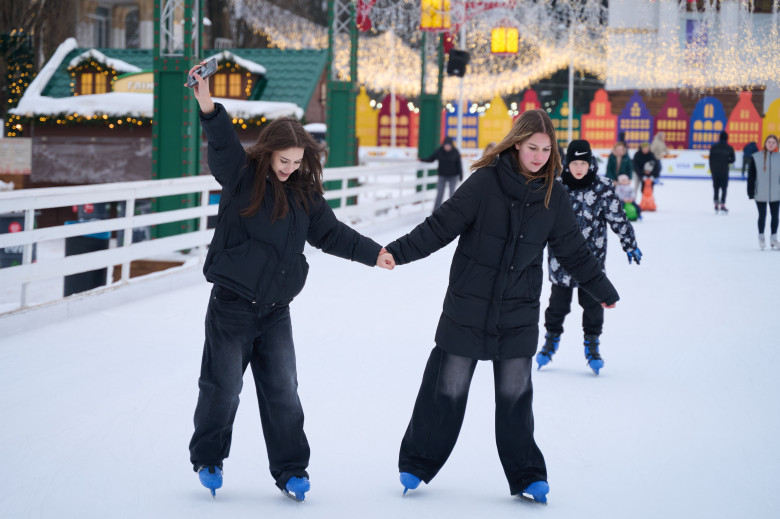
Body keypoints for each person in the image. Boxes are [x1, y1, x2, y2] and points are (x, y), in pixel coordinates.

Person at [383, 110, 620, 505]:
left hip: (518, 310)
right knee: (448, 388)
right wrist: (397, 252)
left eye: (547, 149)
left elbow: (574, 251)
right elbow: (440, 226)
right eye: (532, 148)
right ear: (516, 143)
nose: (540, 156)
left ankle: (527, 475)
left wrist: (601, 288)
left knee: (515, 395)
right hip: (468, 305)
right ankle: (418, 462)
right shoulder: (485, 182)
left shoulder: (553, 194)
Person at [185, 63, 396, 501]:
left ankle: (291, 471)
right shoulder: (242, 177)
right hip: (232, 305)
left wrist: (373, 253)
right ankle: (208, 457)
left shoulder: (304, 194)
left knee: (283, 391)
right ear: (268, 154)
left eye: (298, 163)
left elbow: (331, 234)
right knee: (223, 388)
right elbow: (222, 142)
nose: (289, 169)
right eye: (284, 161)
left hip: (276, 310)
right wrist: (207, 102)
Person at [537, 141, 641, 375]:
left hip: (591, 263)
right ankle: (550, 340)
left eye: (583, 163)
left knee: (593, 305)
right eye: (574, 163)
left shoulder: (602, 188)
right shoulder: (557, 187)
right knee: (557, 306)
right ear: (567, 163)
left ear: (590, 163)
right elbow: (541, 221)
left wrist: (629, 243)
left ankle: (592, 345)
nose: (579, 168)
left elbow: (618, 217)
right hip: (561, 262)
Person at [747, 134, 780, 250]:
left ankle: (773, 238)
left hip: (776, 193)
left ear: (776, 145)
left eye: (773, 142)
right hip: (760, 192)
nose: (771, 144)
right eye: (769, 142)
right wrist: (750, 192)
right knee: (762, 215)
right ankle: (761, 237)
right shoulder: (756, 157)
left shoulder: (779, 157)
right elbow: (751, 176)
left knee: (775, 216)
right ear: (765, 143)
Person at [419, 136, 463, 211]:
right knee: (439, 194)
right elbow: (431, 158)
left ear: (451, 145)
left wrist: (461, 174)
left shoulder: (455, 152)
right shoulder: (439, 151)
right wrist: (422, 160)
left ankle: (452, 211)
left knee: (452, 194)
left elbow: (459, 164)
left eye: (448, 146)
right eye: (446, 145)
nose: (447, 147)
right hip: (442, 176)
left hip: (453, 176)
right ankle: (435, 212)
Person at [708, 131, 736, 214]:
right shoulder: (729, 148)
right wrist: (726, 161)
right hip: (724, 170)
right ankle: (723, 204)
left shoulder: (713, 147)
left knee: (716, 187)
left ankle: (716, 204)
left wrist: (712, 169)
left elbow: (710, 159)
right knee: (724, 188)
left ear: (719, 137)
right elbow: (733, 159)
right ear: (727, 138)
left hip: (715, 170)